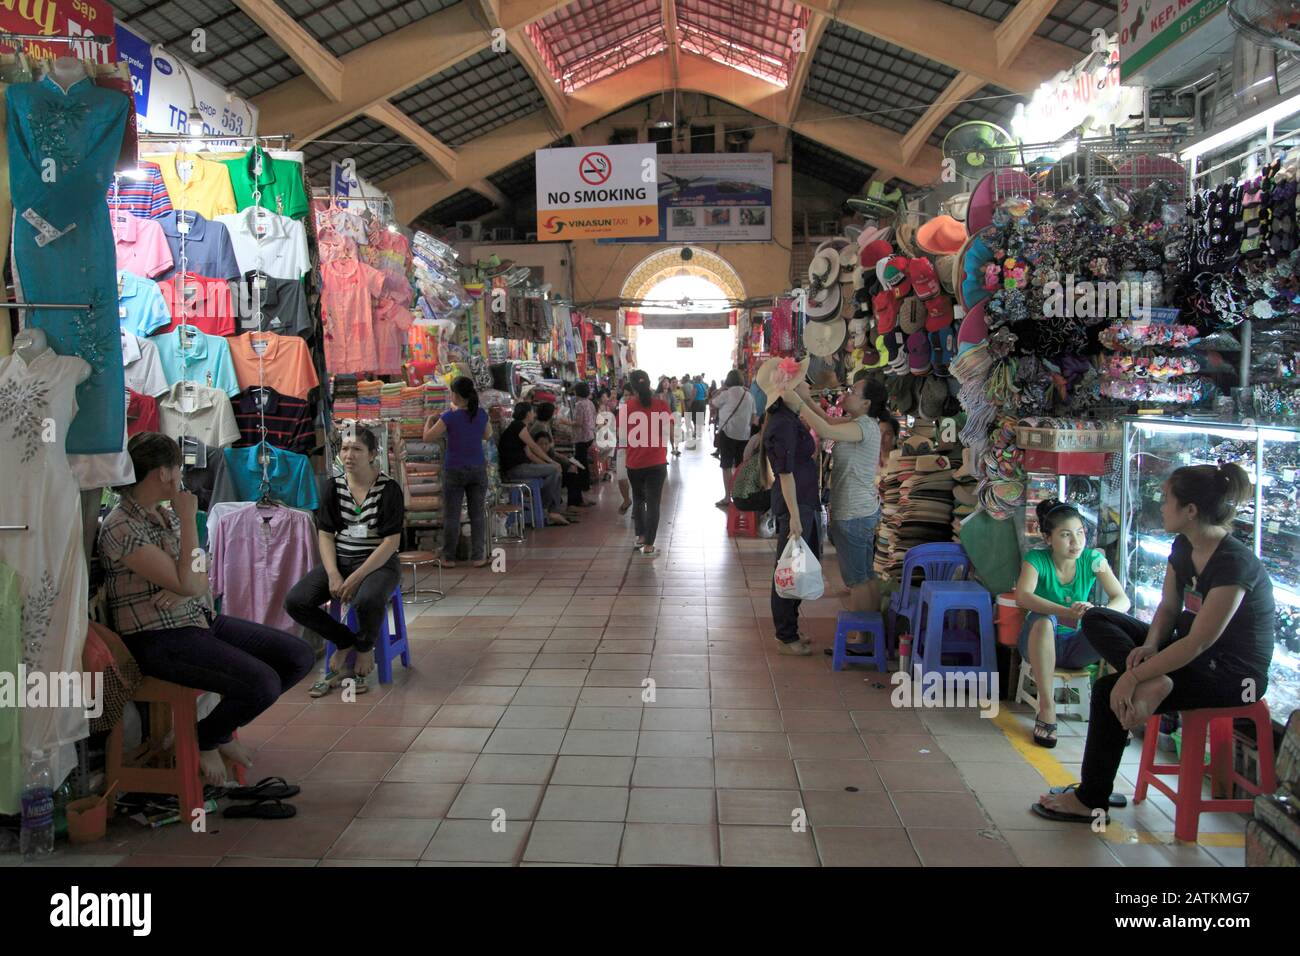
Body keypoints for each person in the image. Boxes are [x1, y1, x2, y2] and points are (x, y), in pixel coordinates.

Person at [1034, 464, 1275, 824]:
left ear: (1190, 510)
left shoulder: (1233, 564)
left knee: (1107, 690)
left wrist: (1133, 677)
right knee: (1097, 617)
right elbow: (1168, 607)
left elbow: (1197, 643)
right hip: (1187, 654)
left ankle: (1090, 799)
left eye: (1166, 500)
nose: (1161, 507)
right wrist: (1149, 647)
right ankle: (1153, 680)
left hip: (1231, 674)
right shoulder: (1184, 545)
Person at [99, 433, 314, 785]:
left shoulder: (160, 516)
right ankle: (208, 737)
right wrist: (188, 525)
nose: (181, 475)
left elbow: (201, 576)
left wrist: (189, 589)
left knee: (297, 655)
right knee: (262, 683)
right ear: (162, 473)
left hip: (196, 619)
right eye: (177, 468)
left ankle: (217, 732)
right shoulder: (122, 525)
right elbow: (191, 579)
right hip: (158, 639)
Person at [285, 425, 406, 696]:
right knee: (296, 601)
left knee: (367, 600)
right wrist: (333, 574)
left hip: (379, 563)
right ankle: (345, 642)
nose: (349, 455)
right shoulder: (333, 487)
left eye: (357, 449)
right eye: (345, 449)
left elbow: (391, 543)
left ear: (373, 454)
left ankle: (365, 647)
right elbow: (326, 535)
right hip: (341, 560)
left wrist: (358, 575)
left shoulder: (389, 489)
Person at [1014, 498, 1130, 747]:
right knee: (1044, 622)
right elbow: (1023, 596)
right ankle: (1047, 709)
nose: (1076, 542)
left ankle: (1120, 710)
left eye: (1079, 533)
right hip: (1037, 644)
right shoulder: (1036, 559)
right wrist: (1065, 611)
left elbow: (1122, 599)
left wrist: (1096, 614)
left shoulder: (1092, 559)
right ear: (1048, 538)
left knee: (1113, 626)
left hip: (1076, 647)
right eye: (1066, 535)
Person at [784, 376, 890, 632]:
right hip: (861, 510)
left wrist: (798, 403)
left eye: (854, 391)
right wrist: (807, 399)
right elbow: (829, 421)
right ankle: (874, 635)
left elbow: (825, 430)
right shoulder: (861, 423)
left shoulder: (863, 426)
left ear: (866, 403)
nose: (847, 393)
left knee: (857, 580)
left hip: (854, 513)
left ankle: (863, 639)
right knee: (866, 575)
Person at [759, 356, 819, 655]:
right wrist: (795, 516)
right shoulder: (781, 424)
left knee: (797, 566)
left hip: (803, 500)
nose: (808, 386)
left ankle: (790, 628)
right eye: (801, 382)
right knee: (788, 569)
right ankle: (785, 634)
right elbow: (784, 474)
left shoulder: (790, 418)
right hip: (794, 503)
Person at [423, 376, 491, 568]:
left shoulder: (448, 417)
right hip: (477, 468)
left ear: (456, 394)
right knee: (477, 514)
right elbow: (488, 435)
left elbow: (427, 437)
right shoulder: (481, 414)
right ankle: (478, 557)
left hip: (454, 469)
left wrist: (429, 420)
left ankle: (448, 558)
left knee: (452, 515)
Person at [498, 401, 571, 526]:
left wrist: (547, 465)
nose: (534, 414)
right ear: (527, 414)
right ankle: (547, 509)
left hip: (522, 466)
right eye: (532, 411)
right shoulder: (518, 426)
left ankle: (548, 509)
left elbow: (530, 454)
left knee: (555, 470)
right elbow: (534, 447)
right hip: (516, 469)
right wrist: (551, 462)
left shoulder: (520, 427)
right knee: (555, 470)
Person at [624, 368, 672, 554]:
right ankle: (649, 545)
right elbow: (669, 431)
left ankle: (640, 537)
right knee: (653, 503)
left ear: (633, 388)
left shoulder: (626, 408)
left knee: (638, 499)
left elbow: (620, 436)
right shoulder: (661, 405)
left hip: (634, 463)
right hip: (657, 461)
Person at [711, 369, 755, 509]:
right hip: (744, 435)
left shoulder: (725, 394)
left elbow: (712, 403)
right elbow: (754, 417)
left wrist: (721, 389)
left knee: (726, 466)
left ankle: (727, 496)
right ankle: (739, 494)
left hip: (727, 434)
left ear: (728, 380)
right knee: (740, 466)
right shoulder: (749, 396)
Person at [571, 382, 597, 507]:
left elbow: (578, 423)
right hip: (590, 436)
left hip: (581, 438)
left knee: (580, 465)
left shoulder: (579, 405)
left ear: (577, 392)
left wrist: (564, 422)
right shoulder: (590, 403)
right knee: (585, 463)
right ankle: (586, 490)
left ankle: (583, 492)